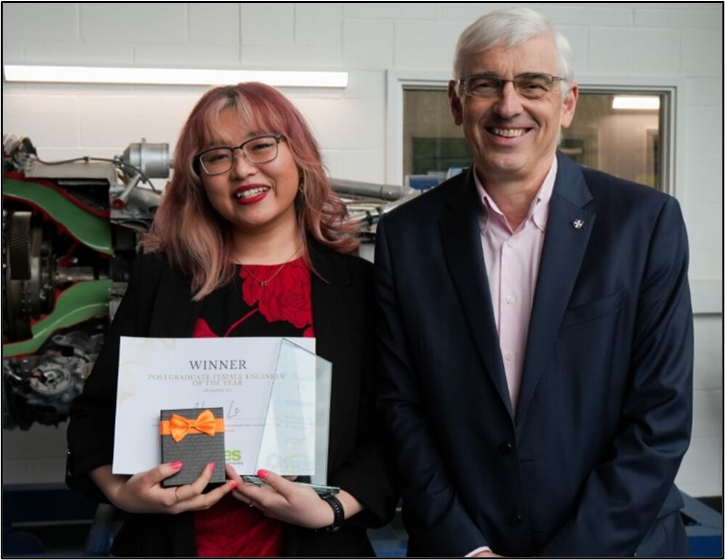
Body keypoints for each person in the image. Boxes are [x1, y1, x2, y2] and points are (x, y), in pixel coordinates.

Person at [375, 7, 693, 558]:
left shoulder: (643, 223)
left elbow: (660, 417)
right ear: (456, 102)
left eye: (533, 84)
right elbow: (399, 407)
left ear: (567, 103)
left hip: (617, 545)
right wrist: (466, 547)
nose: (508, 105)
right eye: (485, 84)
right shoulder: (406, 236)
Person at [66, 82, 396, 557]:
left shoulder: (360, 289)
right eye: (216, 156)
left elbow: (393, 428)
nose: (242, 168)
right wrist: (121, 492)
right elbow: (94, 417)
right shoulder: (162, 280)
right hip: (172, 545)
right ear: (200, 178)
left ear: (298, 154)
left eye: (262, 145)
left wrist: (333, 507)